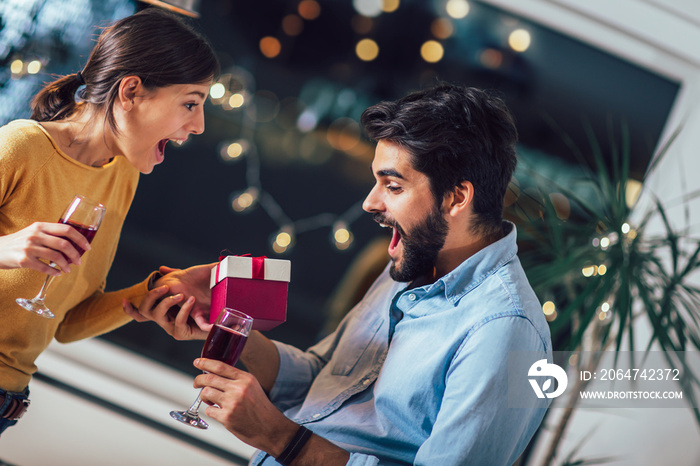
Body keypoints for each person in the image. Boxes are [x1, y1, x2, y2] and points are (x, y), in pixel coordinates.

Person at [128, 83, 553, 465]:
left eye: (393, 186)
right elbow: (322, 378)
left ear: (456, 198)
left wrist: (279, 437)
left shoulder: (506, 331)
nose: (370, 203)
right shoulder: (412, 263)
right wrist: (224, 323)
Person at [0, 7, 219, 435]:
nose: (199, 125)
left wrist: (154, 293)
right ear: (131, 92)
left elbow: (66, 324)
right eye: (190, 103)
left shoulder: (122, 174)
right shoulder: (21, 147)